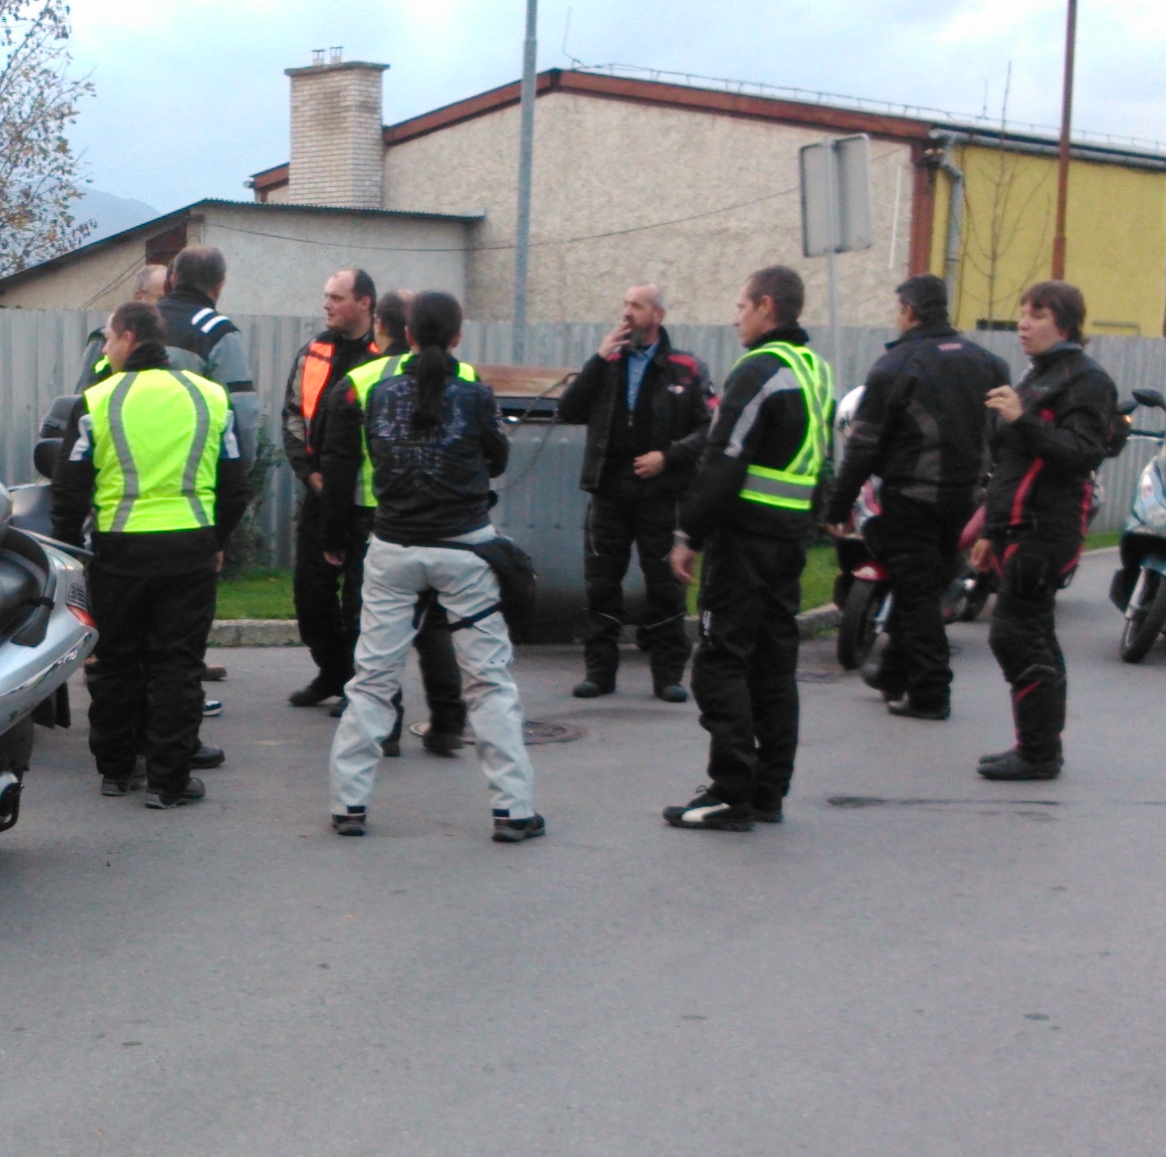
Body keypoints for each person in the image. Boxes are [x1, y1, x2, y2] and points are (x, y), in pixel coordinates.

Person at [318, 291, 542, 842]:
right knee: (488, 681)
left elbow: (366, 456)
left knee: (371, 680)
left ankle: (348, 805)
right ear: (458, 337)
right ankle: (512, 811)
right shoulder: (475, 395)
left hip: (393, 548)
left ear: (407, 335)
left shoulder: (377, 393)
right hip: (464, 548)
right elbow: (497, 460)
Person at [49, 301, 245, 807]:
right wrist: (217, 540)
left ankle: (117, 771)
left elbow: (68, 488)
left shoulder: (96, 400)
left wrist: (70, 550)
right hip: (189, 549)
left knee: (115, 662)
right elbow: (235, 485)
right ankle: (169, 782)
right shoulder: (211, 397)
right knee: (178, 665)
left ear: (129, 338)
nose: (105, 349)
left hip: (120, 552)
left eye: (109, 338)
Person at [662, 265, 831, 833]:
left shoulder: (759, 369)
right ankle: (767, 792)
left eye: (741, 306)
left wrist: (689, 535)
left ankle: (729, 792)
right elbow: (819, 456)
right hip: (788, 540)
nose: (735, 317)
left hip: (744, 540)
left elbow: (723, 456)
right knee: (774, 664)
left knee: (719, 662)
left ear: (765, 307)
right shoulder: (814, 368)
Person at [822, 274, 1009, 722]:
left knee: (916, 593)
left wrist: (838, 507)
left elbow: (863, 445)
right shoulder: (988, 363)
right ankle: (891, 672)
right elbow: (1002, 436)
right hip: (964, 498)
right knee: (922, 585)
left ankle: (930, 693)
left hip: (911, 496)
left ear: (908, 310)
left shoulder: (895, 365)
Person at [973, 278, 1124, 781]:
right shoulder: (1038, 375)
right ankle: (1038, 748)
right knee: (1032, 634)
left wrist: (1022, 418)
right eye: (1022, 312)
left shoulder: (1086, 380)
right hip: (1017, 527)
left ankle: (1038, 754)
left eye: (1036, 315)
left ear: (1065, 324)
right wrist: (991, 529)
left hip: (1047, 529)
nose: (1023, 323)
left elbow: (1083, 452)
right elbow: (1012, 466)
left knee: (1014, 635)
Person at [313, 292, 469, 753]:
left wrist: (330, 534)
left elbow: (338, 467)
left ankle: (386, 727)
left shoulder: (361, 382)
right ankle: (447, 723)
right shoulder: (468, 377)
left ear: (385, 328)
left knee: (375, 628)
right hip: (447, 522)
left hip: (378, 521)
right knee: (435, 621)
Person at [556, 283, 713, 701]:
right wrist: (597, 359)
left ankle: (668, 676)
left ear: (657, 315)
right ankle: (600, 673)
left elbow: (709, 428)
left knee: (665, 585)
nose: (627, 312)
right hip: (609, 489)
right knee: (601, 583)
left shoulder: (685, 367)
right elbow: (568, 410)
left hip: (660, 492)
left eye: (637, 306)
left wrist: (669, 456)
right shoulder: (608, 361)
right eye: (625, 304)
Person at [157, 248, 259, 703]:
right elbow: (243, 416)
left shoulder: (123, 326)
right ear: (219, 285)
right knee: (186, 608)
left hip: (121, 497)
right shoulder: (218, 332)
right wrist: (236, 485)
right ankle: (181, 696)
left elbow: (83, 404)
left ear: (171, 279)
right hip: (193, 494)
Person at [283, 269, 384, 706]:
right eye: (326, 296)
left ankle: (359, 685)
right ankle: (332, 671)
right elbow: (292, 416)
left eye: (337, 298)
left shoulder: (386, 355)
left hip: (366, 500)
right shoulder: (314, 351)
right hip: (320, 493)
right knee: (310, 593)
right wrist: (309, 472)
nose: (327, 305)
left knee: (360, 601)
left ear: (365, 302)